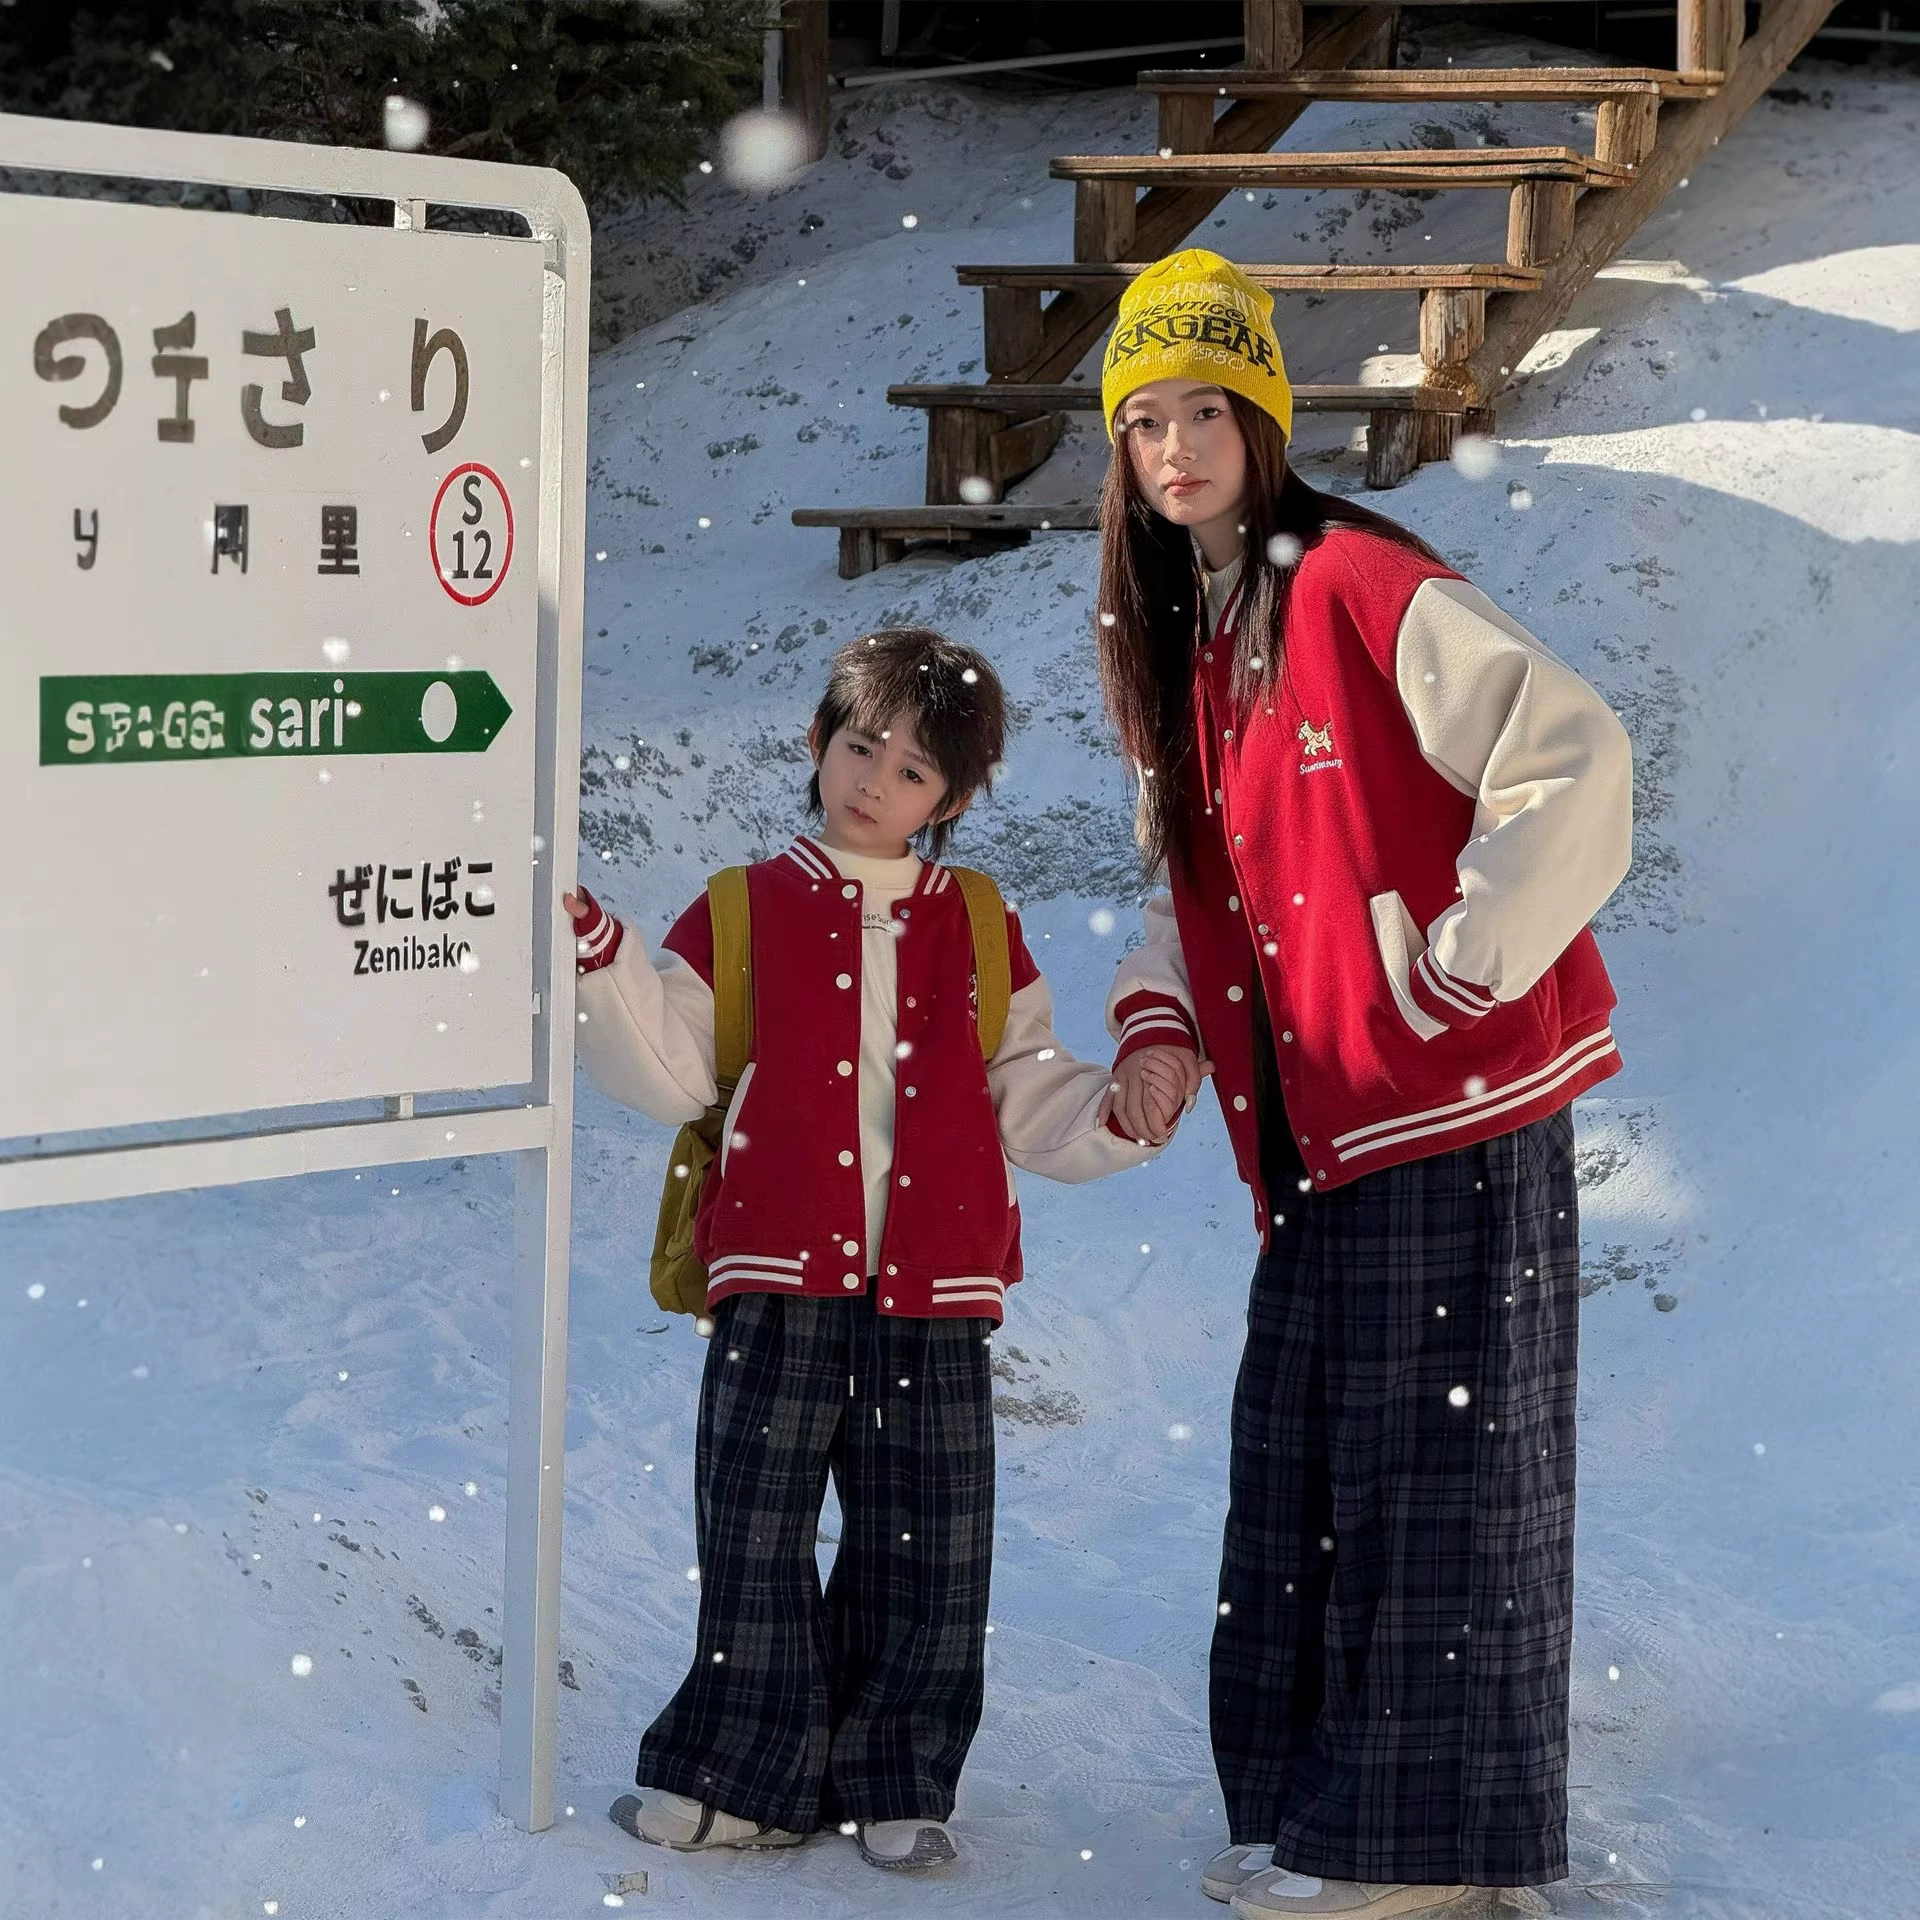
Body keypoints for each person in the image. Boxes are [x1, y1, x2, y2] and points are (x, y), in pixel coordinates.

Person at [1093, 252, 1635, 1920]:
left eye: (1207, 410)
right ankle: (1318, 1813)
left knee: (1437, 1482)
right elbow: (1193, 887)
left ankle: (1420, 1862)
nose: (1176, 446)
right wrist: (1162, 1023)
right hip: (1322, 1140)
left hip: (1450, 1110)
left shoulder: (1351, 579)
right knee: (1306, 1471)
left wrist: (1458, 963)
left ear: (1264, 421)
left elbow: (1575, 748)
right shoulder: (1191, 642)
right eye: (1143, 420)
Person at [565, 626, 1184, 1875]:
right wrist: (601, 957)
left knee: (934, 1540)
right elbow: (675, 1059)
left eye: (910, 770)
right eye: (859, 746)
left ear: (948, 799)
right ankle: (742, 1771)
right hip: (777, 1269)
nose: (873, 781)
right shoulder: (742, 907)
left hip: (938, 1284)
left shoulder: (979, 920)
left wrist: (1113, 1114)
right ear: (818, 743)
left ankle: (898, 1772)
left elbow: (1024, 1088)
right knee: (753, 1524)